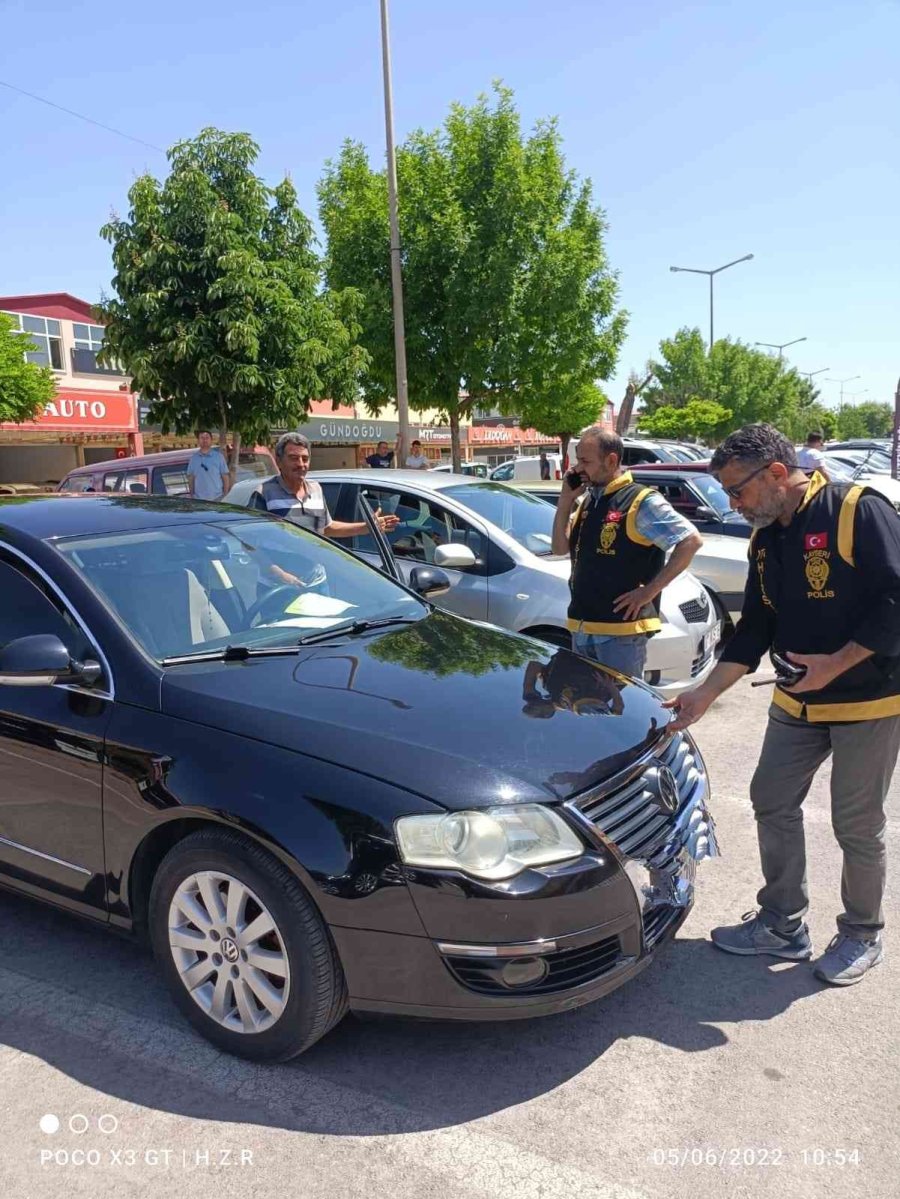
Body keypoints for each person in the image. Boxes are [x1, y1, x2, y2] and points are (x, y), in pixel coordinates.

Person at [665, 422, 900, 986]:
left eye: (736, 490)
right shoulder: (766, 537)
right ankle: (781, 923)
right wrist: (702, 696)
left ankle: (861, 933)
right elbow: (757, 628)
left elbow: (896, 600)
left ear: (776, 474)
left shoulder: (855, 510)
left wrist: (834, 665)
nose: (732, 503)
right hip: (797, 700)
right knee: (770, 799)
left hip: (868, 701)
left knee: (856, 824)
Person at [551, 426, 702, 679]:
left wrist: (648, 592)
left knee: (621, 712)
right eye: (578, 461)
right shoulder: (589, 501)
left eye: (586, 461)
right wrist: (566, 500)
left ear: (611, 461)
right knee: (589, 712)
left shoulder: (640, 500)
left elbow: (690, 541)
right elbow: (559, 548)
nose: (578, 469)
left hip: (620, 635)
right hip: (582, 626)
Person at [249, 433, 399, 586]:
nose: (301, 464)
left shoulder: (315, 489)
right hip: (277, 588)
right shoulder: (264, 493)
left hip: (316, 583)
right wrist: (280, 575)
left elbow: (326, 528)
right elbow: (249, 543)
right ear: (279, 461)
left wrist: (367, 527)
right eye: (294, 458)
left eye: (305, 459)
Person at [186, 430, 230, 501]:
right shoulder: (193, 459)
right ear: (198, 441)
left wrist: (225, 495)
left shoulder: (219, 457)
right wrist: (192, 496)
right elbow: (191, 478)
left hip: (218, 498)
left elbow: (225, 477)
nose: (204, 440)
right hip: (199, 500)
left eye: (207, 437)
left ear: (211, 440)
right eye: (202, 438)